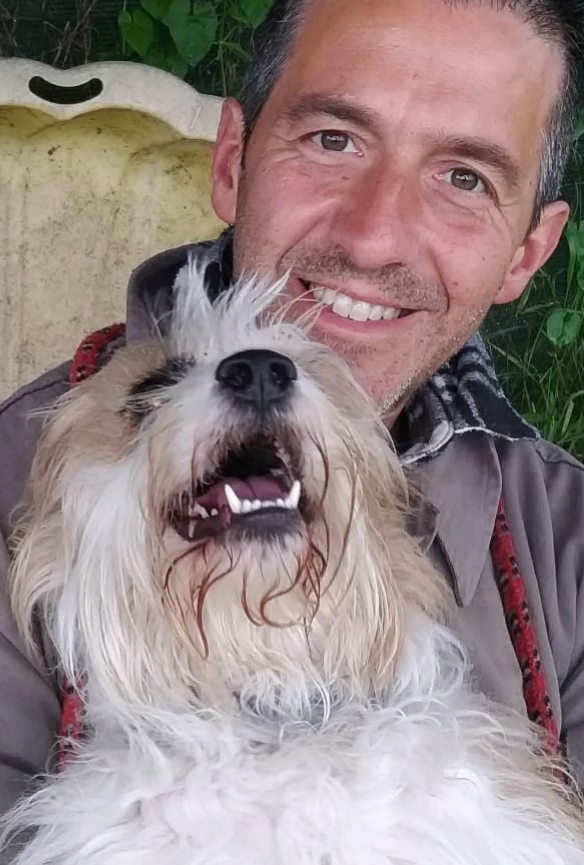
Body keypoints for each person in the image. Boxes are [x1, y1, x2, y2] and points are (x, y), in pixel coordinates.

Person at [1, 0, 583, 839]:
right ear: (232, 161)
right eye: (333, 139)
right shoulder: (14, 482)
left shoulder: (564, 541)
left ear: (527, 251)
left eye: (465, 178)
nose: (375, 237)